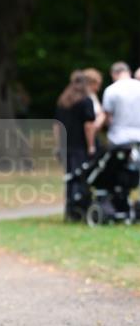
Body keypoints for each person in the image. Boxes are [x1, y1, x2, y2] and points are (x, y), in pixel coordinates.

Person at [54, 70, 96, 217]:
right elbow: (89, 125)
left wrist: (59, 145)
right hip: (80, 146)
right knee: (81, 176)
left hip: (66, 146)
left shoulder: (63, 100)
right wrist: (91, 145)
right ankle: (80, 208)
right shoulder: (86, 101)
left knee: (69, 177)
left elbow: (57, 126)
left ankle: (70, 209)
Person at [97, 61, 140, 145]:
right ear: (129, 72)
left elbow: (107, 117)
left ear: (113, 74)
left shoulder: (111, 90)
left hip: (118, 138)